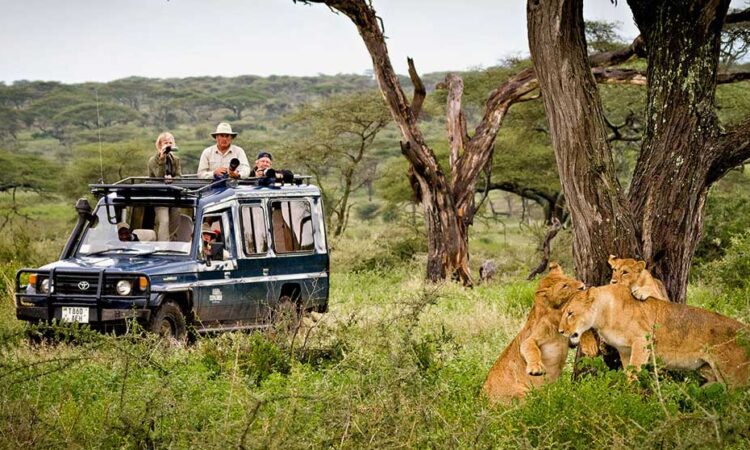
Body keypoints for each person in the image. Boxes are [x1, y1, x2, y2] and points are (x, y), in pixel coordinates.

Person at [148, 132, 182, 240]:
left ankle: (171, 244)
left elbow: (179, 176)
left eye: (170, 143)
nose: (168, 145)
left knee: (175, 220)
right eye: (165, 143)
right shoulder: (153, 160)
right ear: (159, 145)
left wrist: (173, 179)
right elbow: (158, 177)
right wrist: (162, 160)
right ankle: (162, 246)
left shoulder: (175, 159)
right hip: (159, 195)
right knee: (164, 221)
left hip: (173, 194)